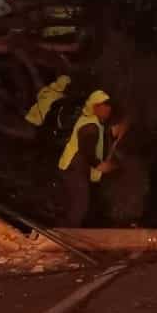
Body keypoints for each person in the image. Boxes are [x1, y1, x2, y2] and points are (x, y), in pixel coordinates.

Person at [57, 89, 119, 229]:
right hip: (74, 168)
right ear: (95, 107)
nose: (108, 109)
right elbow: (87, 150)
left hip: (74, 168)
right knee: (79, 205)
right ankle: (65, 239)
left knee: (76, 204)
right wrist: (99, 165)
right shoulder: (90, 126)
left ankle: (66, 233)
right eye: (105, 106)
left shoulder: (93, 120)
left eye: (109, 106)